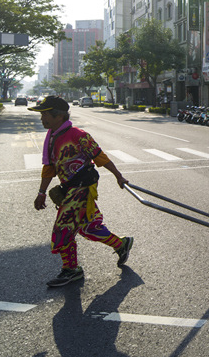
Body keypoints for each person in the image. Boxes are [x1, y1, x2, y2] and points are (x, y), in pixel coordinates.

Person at [30, 96, 133, 287]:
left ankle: (71, 270)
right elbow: (49, 168)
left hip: (82, 188)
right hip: (70, 189)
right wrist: (41, 192)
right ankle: (121, 244)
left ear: (58, 116)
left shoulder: (78, 135)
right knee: (89, 228)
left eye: (45, 114)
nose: (42, 118)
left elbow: (99, 157)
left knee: (62, 229)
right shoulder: (51, 136)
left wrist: (119, 176)